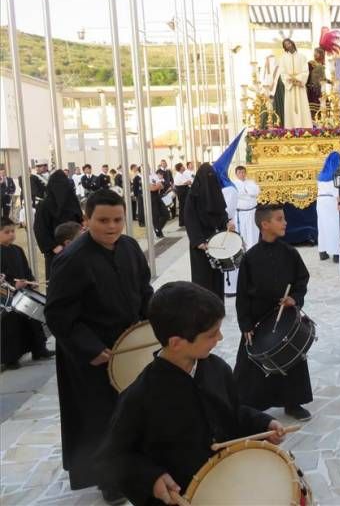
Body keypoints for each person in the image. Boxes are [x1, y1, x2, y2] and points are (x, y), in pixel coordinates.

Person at [99, 281, 286, 506]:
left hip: (225, 484)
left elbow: (233, 412)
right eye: (211, 334)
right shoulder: (140, 396)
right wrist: (151, 478)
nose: (220, 339)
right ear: (176, 343)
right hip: (179, 497)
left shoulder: (217, 369)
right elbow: (114, 457)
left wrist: (264, 424)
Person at [45, 189, 153, 500]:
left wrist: (154, 323)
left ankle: (137, 465)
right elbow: (58, 313)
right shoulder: (71, 259)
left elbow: (143, 290)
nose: (112, 227)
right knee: (101, 419)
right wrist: (90, 348)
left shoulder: (130, 247)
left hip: (128, 346)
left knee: (132, 411)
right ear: (86, 219)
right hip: (93, 354)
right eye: (103, 220)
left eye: (118, 219)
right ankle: (110, 481)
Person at [234, 204, 313, 422]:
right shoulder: (250, 258)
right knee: (252, 366)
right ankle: (249, 405)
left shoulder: (290, 253)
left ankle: (293, 402)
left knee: (291, 359)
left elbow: (302, 279)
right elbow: (242, 295)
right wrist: (245, 324)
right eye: (279, 219)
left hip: (285, 317)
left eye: (284, 218)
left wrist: (294, 298)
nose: (285, 222)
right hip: (259, 320)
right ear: (264, 224)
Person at [1, 216, 53, 371]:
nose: (11, 234)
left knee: (33, 320)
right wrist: (13, 285)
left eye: (13, 231)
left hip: (24, 292)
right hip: (6, 297)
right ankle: (11, 358)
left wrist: (31, 280)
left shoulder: (17, 250)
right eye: (6, 232)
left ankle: (39, 349)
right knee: (11, 327)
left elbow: (25, 268)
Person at [184, 163, 235, 299]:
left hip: (217, 241)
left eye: (212, 177)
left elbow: (221, 213)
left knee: (217, 276)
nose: (209, 179)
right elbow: (189, 219)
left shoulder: (215, 192)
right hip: (201, 244)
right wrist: (199, 241)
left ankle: (217, 307)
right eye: (207, 177)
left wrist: (228, 223)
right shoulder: (193, 195)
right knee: (203, 278)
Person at [33, 170, 84, 279]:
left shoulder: (73, 202)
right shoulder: (44, 205)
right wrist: (53, 246)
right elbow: (40, 229)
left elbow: (80, 221)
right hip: (55, 252)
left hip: (76, 249)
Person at [278, 38, 312, 128]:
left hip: (300, 86)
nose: (288, 45)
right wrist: (291, 80)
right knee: (290, 107)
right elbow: (282, 72)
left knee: (302, 106)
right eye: (285, 45)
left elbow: (305, 71)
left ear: (292, 43)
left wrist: (297, 79)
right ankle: (291, 127)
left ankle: (305, 127)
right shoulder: (283, 58)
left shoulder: (302, 57)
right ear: (284, 47)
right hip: (290, 87)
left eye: (288, 43)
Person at [316, 152, 340, 262]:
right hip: (331, 201)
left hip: (320, 200)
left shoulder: (321, 174)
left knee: (322, 226)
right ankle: (336, 253)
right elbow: (337, 192)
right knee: (334, 226)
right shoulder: (336, 174)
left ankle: (322, 252)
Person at [232, 165, 260, 250]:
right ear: (236, 174)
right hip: (240, 214)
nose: (242, 174)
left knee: (252, 233)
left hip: (252, 212)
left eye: (243, 172)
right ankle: (242, 251)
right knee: (241, 233)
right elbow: (237, 195)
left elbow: (256, 192)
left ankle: (253, 250)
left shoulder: (251, 182)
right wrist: (247, 193)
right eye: (239, 172)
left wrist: (246, 192)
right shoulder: (233, 184)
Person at [172, 162, 192, 227]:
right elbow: (187, 182)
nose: (184, 167)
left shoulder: (182, 174)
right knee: (183, 207)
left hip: (184, 190)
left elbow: (189, 181)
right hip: (182, 191)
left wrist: (189, 182)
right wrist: (188, 182)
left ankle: (184, 221)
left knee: (184, 207)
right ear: (180, 168)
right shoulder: (178, 175)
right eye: (182, 166)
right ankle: (182, 222)